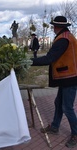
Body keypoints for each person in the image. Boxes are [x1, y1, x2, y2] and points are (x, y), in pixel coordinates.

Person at [31, 16, 77, 148]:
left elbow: (49, 58)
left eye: (54, 26)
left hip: (70, 77)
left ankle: (75, 133)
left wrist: (28, 62)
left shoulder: (63, 39)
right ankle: (55, 126)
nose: (52, 28)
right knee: (58, 103)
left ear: (59, 27)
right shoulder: (66, 36)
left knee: (67, 108)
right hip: (66, 76)